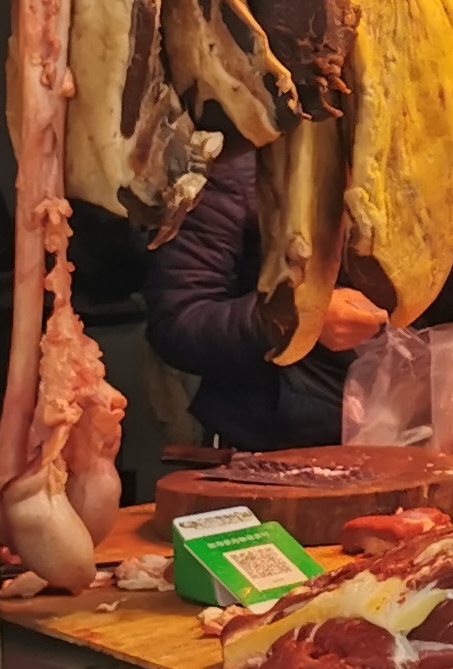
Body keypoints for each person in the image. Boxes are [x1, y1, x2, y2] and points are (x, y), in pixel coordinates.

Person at [143, 150, 388, 447]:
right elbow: (178, 319)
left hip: (397, 432)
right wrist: (296, 318)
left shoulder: (401, 157)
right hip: (268, 447)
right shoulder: (237, 171)